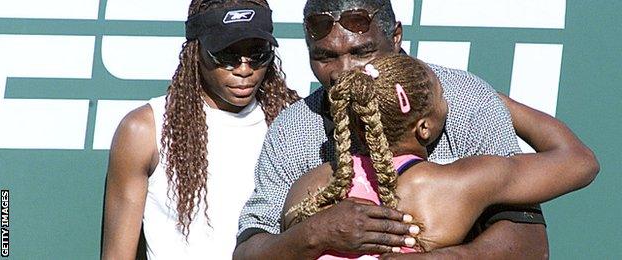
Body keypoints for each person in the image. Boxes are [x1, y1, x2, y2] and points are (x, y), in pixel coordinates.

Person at [234, 0, 599, 259]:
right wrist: (316, 233)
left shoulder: (465, 99)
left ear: (395, 37)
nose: (343, 72)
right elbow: (250, 249)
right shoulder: (293, 132)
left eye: (362, 52)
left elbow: (530, 242)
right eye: (325, 56)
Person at [281, 54, 595, 258]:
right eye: (443, 96)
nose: (449, 101)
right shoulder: (453, 184)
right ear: (424, 127)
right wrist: (498, 101)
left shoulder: (313, 184)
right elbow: (580, 161)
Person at [101, 0, 299, 259]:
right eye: (227, 55)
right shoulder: (145, 130)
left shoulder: (293, 122)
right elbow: (117, 256)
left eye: (258, 54)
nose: (243, 69)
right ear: (196, 52)